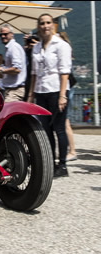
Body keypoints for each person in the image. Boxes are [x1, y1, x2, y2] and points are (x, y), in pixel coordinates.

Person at [27, 14, 72, 177]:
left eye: (48, 23)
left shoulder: (61, 45)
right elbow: (33, 73)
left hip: (56, 90)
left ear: (53, 25)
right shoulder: (37, 47)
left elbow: (65, 71)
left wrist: (62, 95)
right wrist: (31, 95)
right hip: (41, 90)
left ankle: (63, 165)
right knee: (45, 129)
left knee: (59, 128)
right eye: (42, 23)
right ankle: (51, 163)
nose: (45, 26)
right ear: (38, 26)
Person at [0, 23, 27, 102]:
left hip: (15, 90)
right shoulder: (10, 48)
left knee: (7, 113)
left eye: (5, 34)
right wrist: (2, 73)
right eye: (1, 35)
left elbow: (17, 69)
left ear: (12, 34)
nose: (3, 36)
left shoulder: (13, 47)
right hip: (10, 90)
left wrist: (2, 70)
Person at [58, 31, 77, 161]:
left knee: (65, 121)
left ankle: (72, 151)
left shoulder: (64, 52)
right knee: (64, 122)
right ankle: (68, 150)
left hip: (65, 90)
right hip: (61, 90)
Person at [23, 33, 40, 101]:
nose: (31, 43)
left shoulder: (41, 49)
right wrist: (26, 43)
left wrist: (39, 46)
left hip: (39, 73)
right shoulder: (28, 50)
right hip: (29, 74)